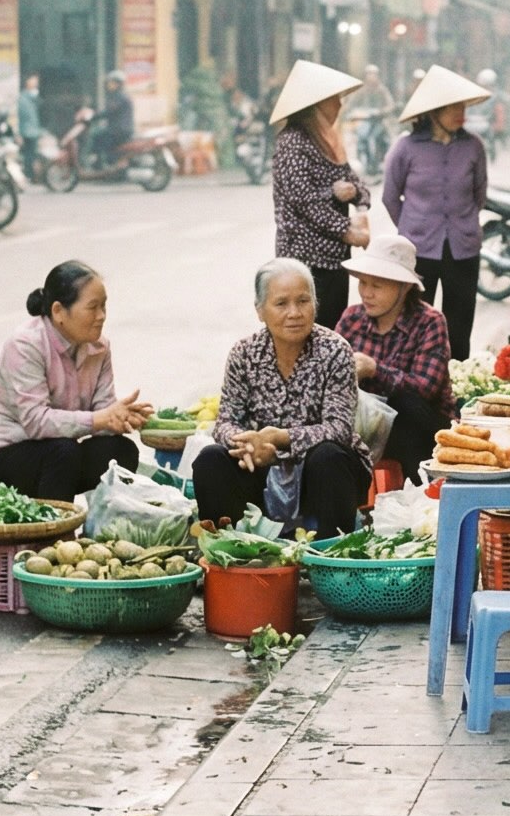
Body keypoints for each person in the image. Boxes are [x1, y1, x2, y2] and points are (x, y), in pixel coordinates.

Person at [193, 258, 369, 536]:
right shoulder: (244, 353)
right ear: (260, 310)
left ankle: (333, 552)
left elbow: (339, 428)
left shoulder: (335, 351)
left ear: (315, 304)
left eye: (303, 301)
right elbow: (225, 422)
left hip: (322, 473)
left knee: (328, 456)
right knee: (211, 458)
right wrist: (250, 445)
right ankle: (230, 550)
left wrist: (280, 439)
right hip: (261, 467)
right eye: (281, 304)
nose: (294, 313)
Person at [0, 262, 152, 499]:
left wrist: (120, 418)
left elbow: (102, 413)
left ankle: (99, 518)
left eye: (104, 306)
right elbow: (36, 422)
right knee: (64, 452)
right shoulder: (26, 345)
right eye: (93, 307)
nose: (101, 316)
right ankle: (54, 522)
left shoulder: (99, 348)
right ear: (58, 311)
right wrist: (100, 419)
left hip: (54, 451)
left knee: (120, 451)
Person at [381, 64, 490, 361]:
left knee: (459, 327)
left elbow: (479, 194)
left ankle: (457, 381)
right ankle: (416, 381)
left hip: (463, 249)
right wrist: (411, 229)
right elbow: (390, 197)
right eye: (453, 106)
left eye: (463, 106)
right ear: (432, 111)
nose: (460, 112)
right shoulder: (406, 148)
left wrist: (463, 222)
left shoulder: (473, 146)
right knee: (415, 325)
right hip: (418, 251)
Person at [336, 230, 454, 475]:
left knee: (406, 405)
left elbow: (425, 388)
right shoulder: (352, 318)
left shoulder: (430, 322)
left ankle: (418, 488)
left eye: (377, 286)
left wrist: (374, 370)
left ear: (404, 287)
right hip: (367, 424)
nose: (367, 293)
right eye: (363, 283)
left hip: (422, 427)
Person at [269, 60, 369, 328]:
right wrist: (346, 229)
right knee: (306, 332)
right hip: (304, 260)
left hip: (335, 259)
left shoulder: (328, 140)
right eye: (334, 99)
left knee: (332, 332)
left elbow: (355, 181)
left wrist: (358, 197)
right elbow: (303, 201)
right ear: (317, 104)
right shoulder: (292, 142)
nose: (339, 105)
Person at [93, 71, 134, 171]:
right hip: (119, 129)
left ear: (117, 84)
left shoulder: (119, 97)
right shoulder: (118, 96)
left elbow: (109, 112)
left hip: (119, 130)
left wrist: (93, 116)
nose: (109, 85)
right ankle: (103, 163)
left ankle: (104, 164)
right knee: (100, 135)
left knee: (96, 136)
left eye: (111, 82)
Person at [15, 75, 43, 180]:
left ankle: (31, 175)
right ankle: (29, 175)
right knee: (29, 155)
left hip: (33, 131)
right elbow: (21, 117)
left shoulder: (32, 99)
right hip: (28, 132)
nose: (36, 86)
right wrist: (19, 134)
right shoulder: (24, 99)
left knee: (31, 154)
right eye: (34, 84)